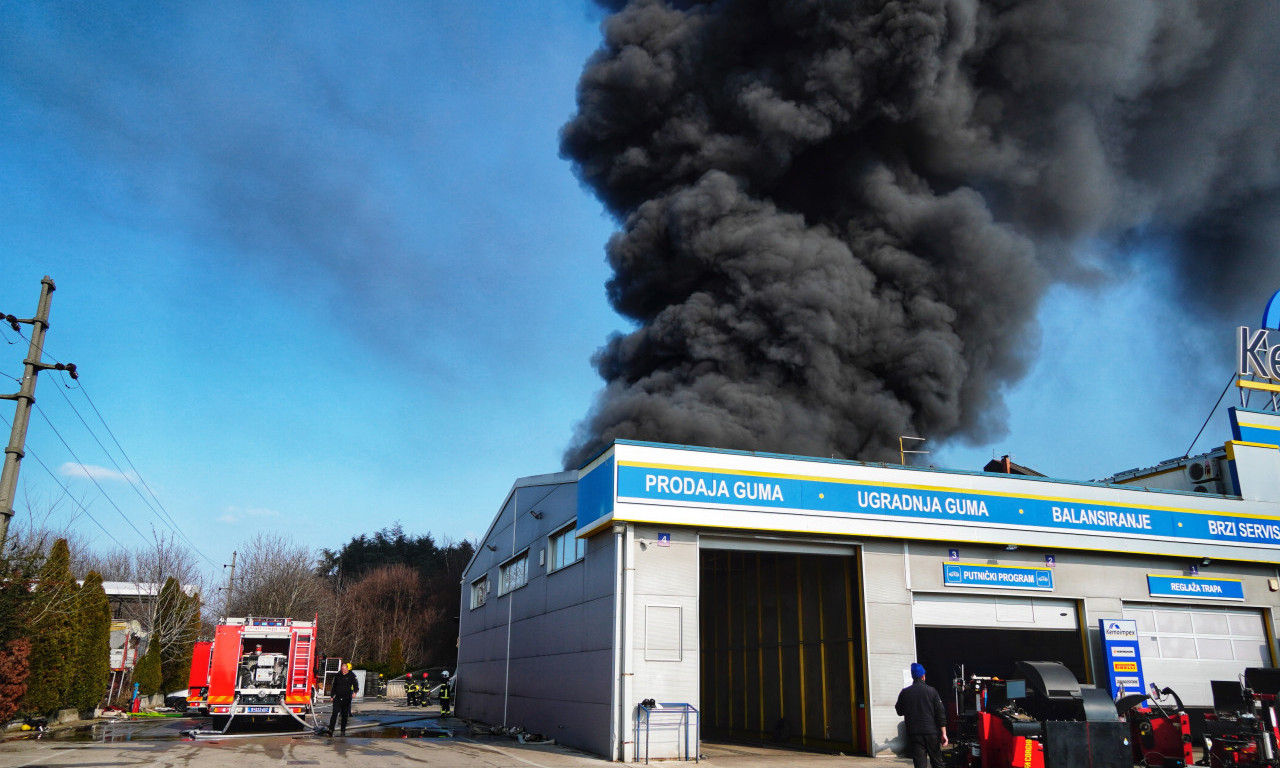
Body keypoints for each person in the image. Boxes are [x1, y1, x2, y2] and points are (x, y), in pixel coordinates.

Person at [895, 662, 947, 768]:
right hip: (931, 733)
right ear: (923, 676)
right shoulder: (932, 691)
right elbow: (940, 713)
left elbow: (899, 711)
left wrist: (911, 709)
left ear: (913, 677)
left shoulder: (905, 693)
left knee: (920, 764)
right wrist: (944, 733)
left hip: (915, 734)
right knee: (937, 763)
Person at [328, 662, 359, 736]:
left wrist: (355, 692)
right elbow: (334, 686)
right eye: (342, 669)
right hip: (338, 697)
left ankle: (343, 730)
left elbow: (356, 685)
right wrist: (332, 696)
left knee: (344, 715)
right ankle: (331, 729)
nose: (343, 671)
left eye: (344, 670)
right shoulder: (338, 675)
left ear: (347, 669)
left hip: (346, 698)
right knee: (334, 713)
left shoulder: (351, 675)